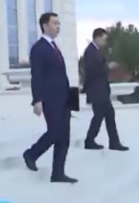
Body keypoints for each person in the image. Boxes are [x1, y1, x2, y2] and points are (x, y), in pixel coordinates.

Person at [22, 13, 78, 184]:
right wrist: (37, 100)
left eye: (59, 23)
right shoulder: (39, 48)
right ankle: (31, 154)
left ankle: (58, 173)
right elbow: (37, 75)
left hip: (64, 98)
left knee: (64, 136)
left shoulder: (54, 47)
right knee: (55, 132)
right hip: (50, 98)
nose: (58, 26)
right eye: (55, 23)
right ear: (45, 26)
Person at [82, 28, 128, 151]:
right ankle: (90, 140)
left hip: (101, 89)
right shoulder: (90, 51)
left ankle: (113, 142)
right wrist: (108, 66)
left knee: (108, 114)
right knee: (99, 115)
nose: (105, 42)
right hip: (96, 90)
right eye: (103, 39)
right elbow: (92, 70)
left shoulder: (95, 51)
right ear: (97, 37)